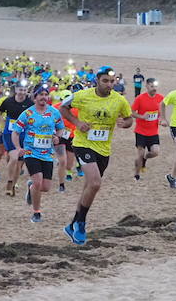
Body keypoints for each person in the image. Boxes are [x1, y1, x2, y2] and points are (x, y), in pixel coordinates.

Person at [59, 66, 133, 245]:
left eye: (112, 81)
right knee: (95, 183)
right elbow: (63, 107)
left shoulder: (120, 100)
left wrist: (125, 123)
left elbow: (130, 118)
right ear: (97, 81)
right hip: (83, 144)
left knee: (89, 188)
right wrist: (77, 122)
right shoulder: (83, 96)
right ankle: (82, 223)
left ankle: (71, 225)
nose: (109, 84)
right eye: (105, 81)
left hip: (103, 149)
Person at [12, 85, 65, 223]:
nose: (43, 97)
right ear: (34, 97)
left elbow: (60, 129)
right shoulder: (27, 113)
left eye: (45, 94)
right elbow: (15, 132)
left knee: (45, 187)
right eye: (40, 94)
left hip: (47, 153)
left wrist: (57, 137)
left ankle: (31, 188)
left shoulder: (54, 112)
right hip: (31, 152)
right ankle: (36, 212)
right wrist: (18, 148)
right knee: (38, 180)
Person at [0, 82, 34, 196]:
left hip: (24, 135)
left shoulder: (29, 103)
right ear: (16, 90)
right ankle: (9, 182)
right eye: (20, 90)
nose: (22, 92)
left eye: (24, 90)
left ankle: (13, 184)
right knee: (14, 157)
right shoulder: (8, 101)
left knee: (19, 164)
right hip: (9, 133)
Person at [130, 78, 163, 180]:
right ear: (147, 86)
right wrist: (142, 117)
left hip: (153, 132)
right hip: (141, 131)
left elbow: (162, 111)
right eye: (152, 86)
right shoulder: (140, 98)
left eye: (155, 86)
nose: (154, 88)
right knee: (139, 154)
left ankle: (145, 159)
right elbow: (131, 112)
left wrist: (161, 119)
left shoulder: (161, 98)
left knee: (155, 152)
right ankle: (136, 174)